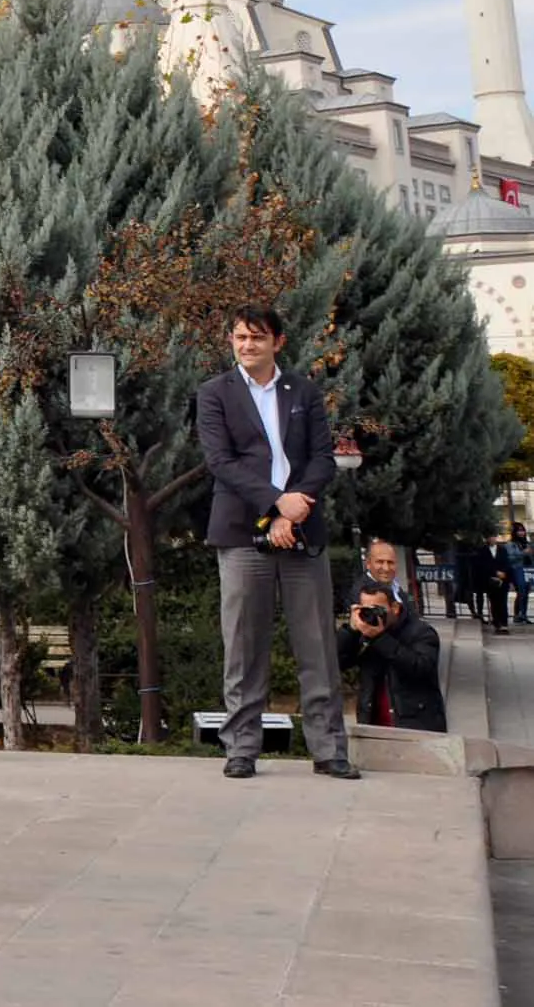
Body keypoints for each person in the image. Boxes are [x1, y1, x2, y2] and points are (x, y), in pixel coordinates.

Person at [194, 303, 354, 781]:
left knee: (317, 646)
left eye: (257, 338)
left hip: (302, 531)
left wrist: (297, 503)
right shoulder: (214, 393)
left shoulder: (303, 390)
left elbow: (323, 458)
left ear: (277, 342)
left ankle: (329, 751)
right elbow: (221, 462)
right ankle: (241, 748)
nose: (248, 345)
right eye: (240, 337)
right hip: (243, 533)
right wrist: (275, 505)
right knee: (243, 644)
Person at [340, 583, 448, 732]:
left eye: (378, 610)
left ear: (395, 608)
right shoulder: (363, 633)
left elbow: (420, 667)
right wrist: (350, 632)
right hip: (373, 725)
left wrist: (380, 639)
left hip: (415, 725)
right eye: (366, 610)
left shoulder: (421, 633)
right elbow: (338, 663)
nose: (373, 616)